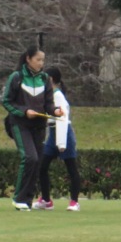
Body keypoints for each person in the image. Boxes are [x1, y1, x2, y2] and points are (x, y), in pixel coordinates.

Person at [2, 46, 61, 211]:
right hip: (20, 124)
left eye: (43, 60)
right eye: (38, 60)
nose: (41, 63)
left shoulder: (44, 79)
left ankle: (26, 200)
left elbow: (48, 103)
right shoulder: (17, 77)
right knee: (30, 158)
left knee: (37, 162)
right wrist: (24, 111)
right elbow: (7, 102)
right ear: (28, 59)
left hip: (39, 126)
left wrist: (55, 111)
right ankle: (18, 198)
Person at [34, 67, 82, 212]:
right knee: (42, 167)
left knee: (71, 168)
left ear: (52, 80)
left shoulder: (58, 95)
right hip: (52, 134)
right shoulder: (49, 95)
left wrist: (61, 143)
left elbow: (62, 118)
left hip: (64, 134)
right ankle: (46, 200)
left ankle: (74, 202)